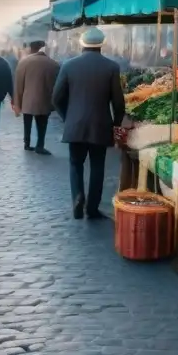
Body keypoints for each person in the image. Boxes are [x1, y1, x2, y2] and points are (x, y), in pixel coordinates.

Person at [52, 27, 125, 220]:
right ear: (102, 44)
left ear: (82, 44)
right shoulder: (111, 67)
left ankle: (77, 197)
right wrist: (116, 123)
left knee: (75, 163)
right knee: (97, 166)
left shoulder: (68, 65)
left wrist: (67, 117)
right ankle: (92, 208)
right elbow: (118, 102)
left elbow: (56, 97)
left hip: (74, 125)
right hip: (101, 125)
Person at [14, 40, 60, 154]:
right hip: (44, 100)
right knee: (42, 124)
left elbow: (18, 85)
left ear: (31, 49)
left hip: (27, 100)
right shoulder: (53, 64)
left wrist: (17, 103)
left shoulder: (23, 62)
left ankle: (27, 143)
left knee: (27, 122)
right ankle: (40, 145)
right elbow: (56, 85)